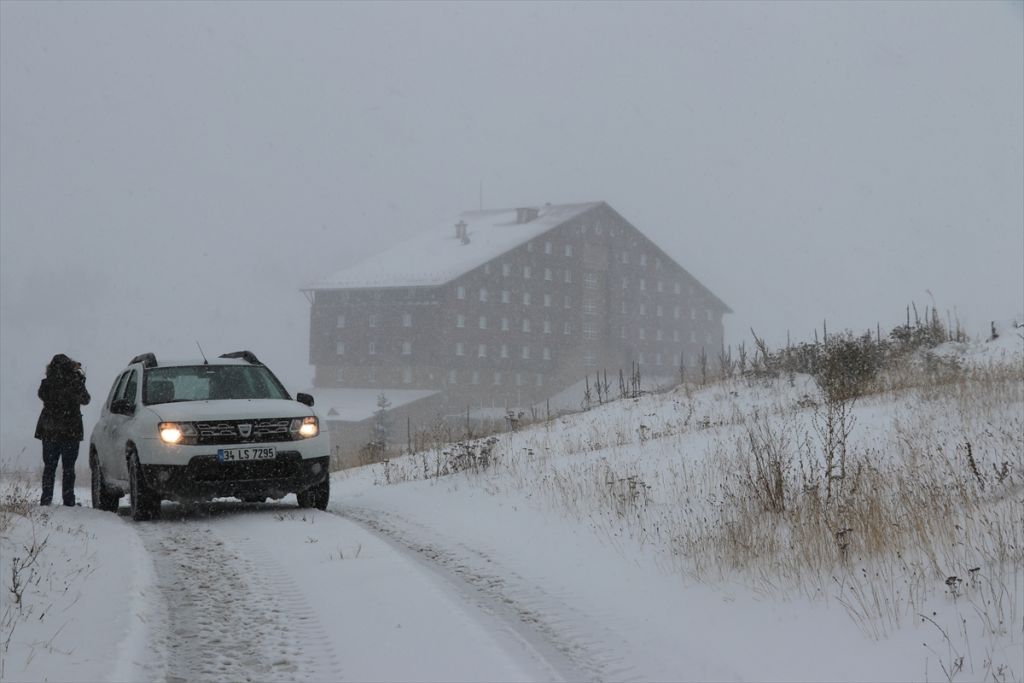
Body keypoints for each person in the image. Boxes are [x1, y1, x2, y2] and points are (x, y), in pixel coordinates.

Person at [34, 354, 90, 506]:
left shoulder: (47, 383)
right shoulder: (75, 382)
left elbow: (42, 395)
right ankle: (68, 500)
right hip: (71, 431)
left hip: (50, 431)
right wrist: (80, 381)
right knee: (69, 468)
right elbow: (86, 400)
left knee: (49, 467)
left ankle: (46, 499)